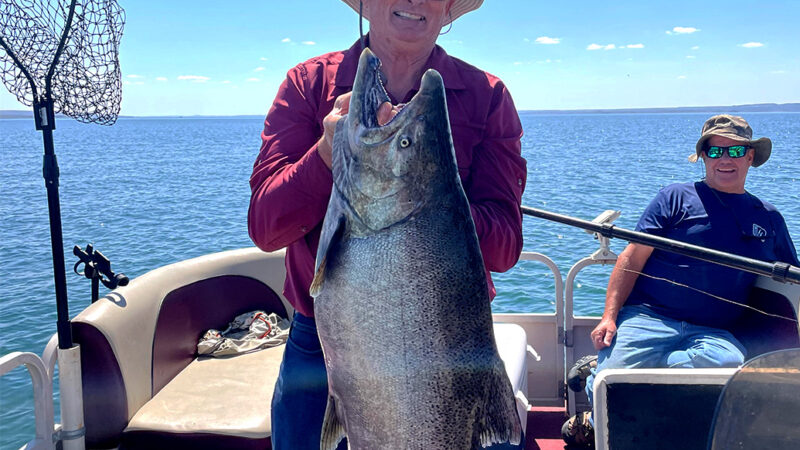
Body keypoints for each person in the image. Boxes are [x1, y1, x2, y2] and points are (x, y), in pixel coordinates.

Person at [248, 1, 527, 448]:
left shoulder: (487, 96)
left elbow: (504, 247)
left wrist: (427, 192)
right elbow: (266, 226)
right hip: (319, 346)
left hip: (449, 345)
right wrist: (324, 155)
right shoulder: (307, 84)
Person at [562, 114, 799, 447]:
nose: (725, 159)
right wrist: (610, 316)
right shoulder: (674, 197)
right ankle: (596, 387)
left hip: (714, 332)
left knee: (728, 365)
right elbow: (632, 258)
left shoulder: (769, 217)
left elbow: (792, 276)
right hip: (648, 317)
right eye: (715, 151)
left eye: (735, 150)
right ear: (703, 157)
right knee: (609, 380)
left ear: (750, 156)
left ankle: (617, 377)